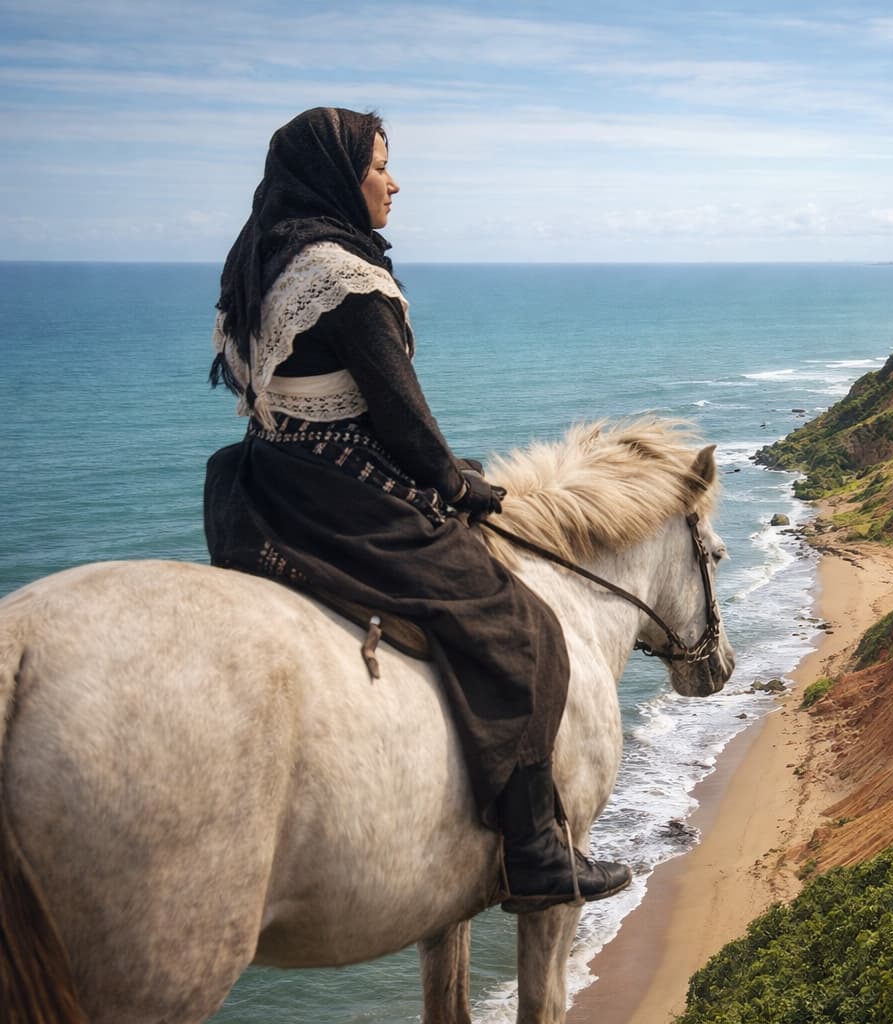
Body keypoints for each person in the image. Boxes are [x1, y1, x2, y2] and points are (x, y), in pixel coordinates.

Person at [203, 106, 630, 911]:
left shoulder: (258, 266)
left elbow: (281, 394)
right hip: (344, 498)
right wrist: (458, 484)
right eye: (378, 167)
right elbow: (403, 422)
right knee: (523, 630)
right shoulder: (343, 279)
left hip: (263, 487)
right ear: (337, 177)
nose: (393, 183)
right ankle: (536, 853)